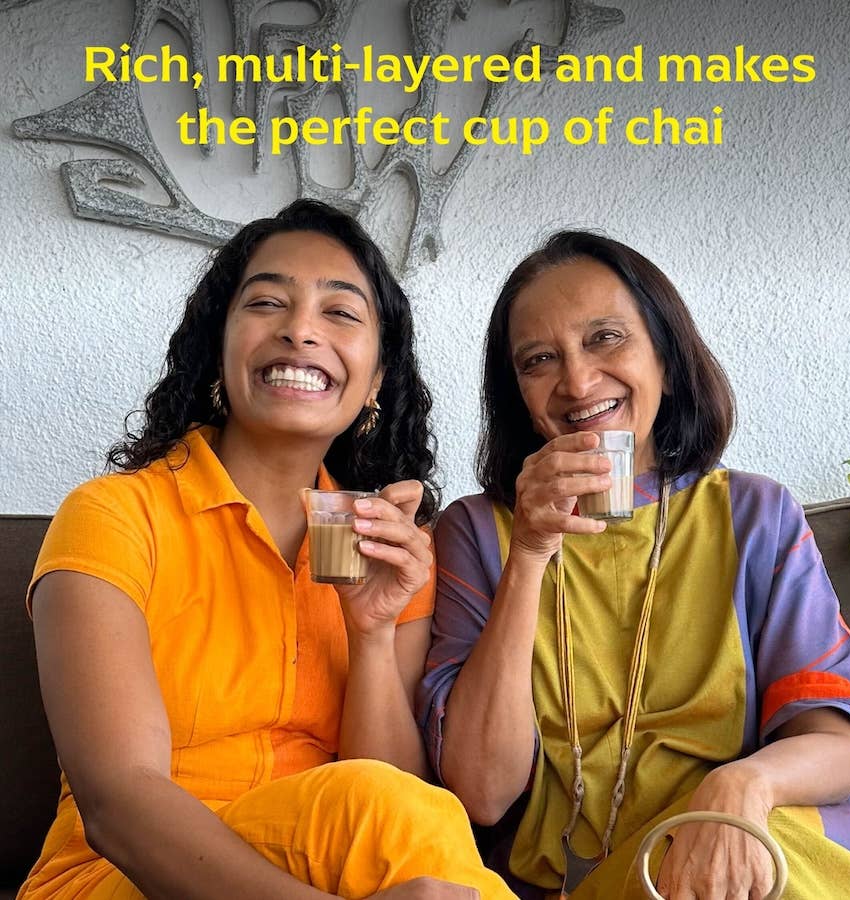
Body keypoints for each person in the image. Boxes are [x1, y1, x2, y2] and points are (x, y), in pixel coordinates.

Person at [20, 200, 513, 900]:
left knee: (386, 806)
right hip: (122, 880)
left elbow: (403, 811)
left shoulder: (386, 550)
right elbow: (117, 804)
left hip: (333, 868)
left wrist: (371, 633)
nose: (300, 329)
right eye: (267, 303)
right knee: (375, 809)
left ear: (375, 381)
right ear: (218, 351)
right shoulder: (115, 517)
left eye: (340, 312)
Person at [417, 231, 850, 899]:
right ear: (518, 394)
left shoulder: (754, 514)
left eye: (605, 338)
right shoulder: (477, 531)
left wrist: (742, 784)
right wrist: (528, 553)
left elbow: (839, 744)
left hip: (756, 844)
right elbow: (483, 792)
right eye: (539, 359)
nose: (577, 381)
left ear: (666, 361)